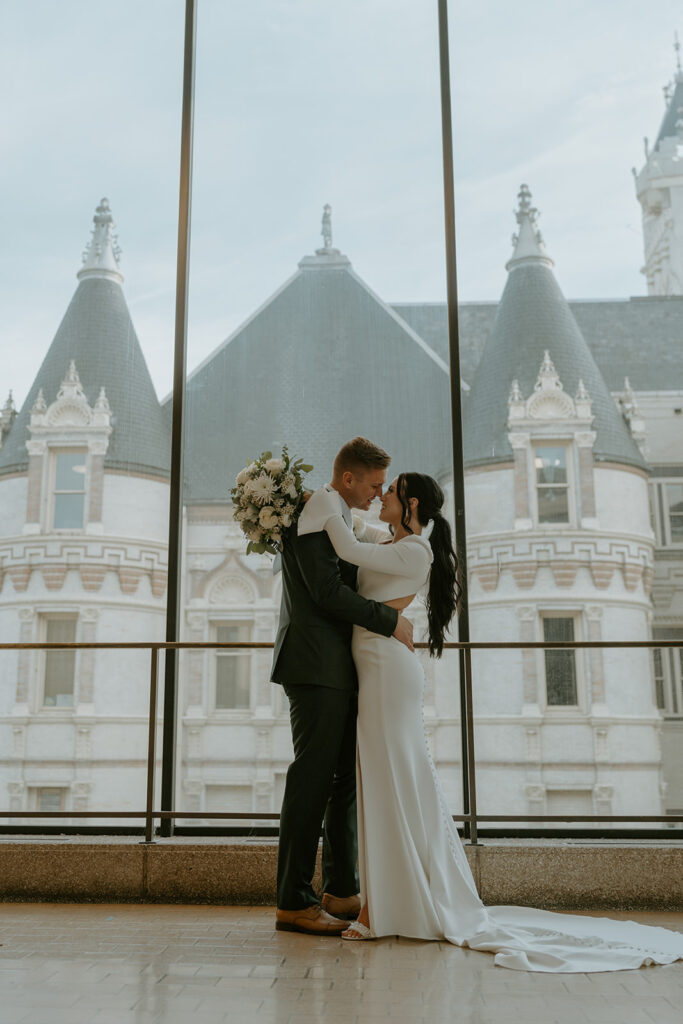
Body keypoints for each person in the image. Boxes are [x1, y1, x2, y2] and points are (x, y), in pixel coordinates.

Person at [303, 470, 683, 971]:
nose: (382, 496)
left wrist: (316, 507)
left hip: (388, 674)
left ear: (410, 502)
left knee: (392, 780)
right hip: (373, 669)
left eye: (389, 491)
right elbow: (357, 536)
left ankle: (382, 907)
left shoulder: (416, 550)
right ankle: (391, 900)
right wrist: (324, 501)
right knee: (383, 780)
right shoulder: (392, 539)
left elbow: (347, 550)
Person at [271, 438, 415, 936]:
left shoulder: (337, 513)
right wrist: (387, 621)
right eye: (374, 486)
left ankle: (340, 889)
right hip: (314, 666)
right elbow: (327, 592)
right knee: (312, 781)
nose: (378, 495)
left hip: (335, 666)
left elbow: (368, 549)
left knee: (341, 782)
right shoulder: (319, 511)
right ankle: (293, 900)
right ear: (349, 478)